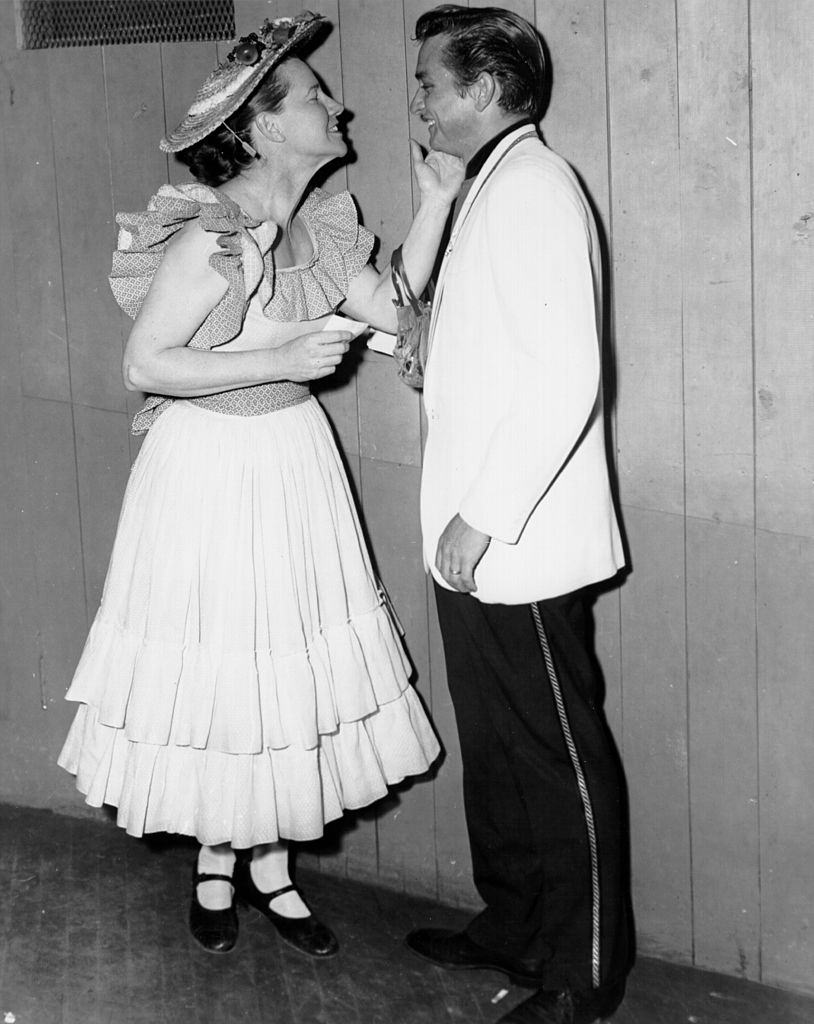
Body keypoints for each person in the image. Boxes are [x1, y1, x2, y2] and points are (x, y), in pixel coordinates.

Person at [58, 12, 463, 958]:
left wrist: (436, 202)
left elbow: (393, 309)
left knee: (279, 657)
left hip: (290, 460)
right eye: (317, 96)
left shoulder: (318, 227)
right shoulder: (212, 233)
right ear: (270, 126)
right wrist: (279, 352)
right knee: (221, 658)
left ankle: (270, 868)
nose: (339, 103)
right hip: (208, 469)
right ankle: (214, 863)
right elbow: (146, 365)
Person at [402, 7, 631, 1023]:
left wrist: (485, 515)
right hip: (480, 535)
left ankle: (581, 976)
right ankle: (513, 926)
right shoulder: (490, 183)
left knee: (548, 757)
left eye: (429, 84)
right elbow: (494, 351)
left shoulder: (535, 187)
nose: (415, 101)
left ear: (485, 92)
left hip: (515, 538)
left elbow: (566, 376)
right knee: (498, 749)